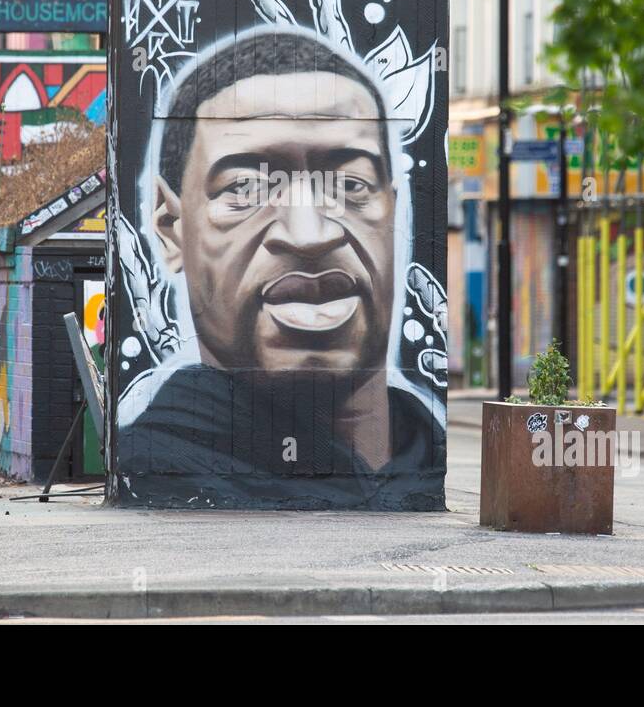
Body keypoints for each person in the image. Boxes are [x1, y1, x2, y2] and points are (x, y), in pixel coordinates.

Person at [116, 29, 444, 509]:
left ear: (394, 212)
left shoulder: (425, 449)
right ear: (170, 228)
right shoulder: (159, 469)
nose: (310, 234)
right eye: (246, 188)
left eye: (351, 183)